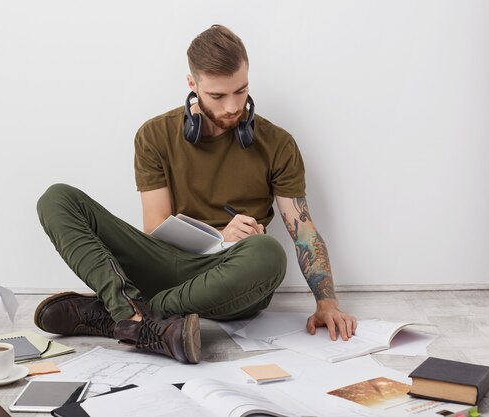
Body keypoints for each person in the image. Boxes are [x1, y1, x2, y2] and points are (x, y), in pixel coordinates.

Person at [34, 25, 356, 364]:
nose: (233, 107)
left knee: (268, 253)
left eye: (241, 91)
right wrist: (220, 236)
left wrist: (327, 303)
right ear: (193, 85)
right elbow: (156, 225)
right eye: (218, 96)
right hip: (166, 261)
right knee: (57, 198)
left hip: (233, 278)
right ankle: (132, 315)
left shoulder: (277, 144)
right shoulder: (154, 135)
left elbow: (303, 231)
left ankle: (126, 316)